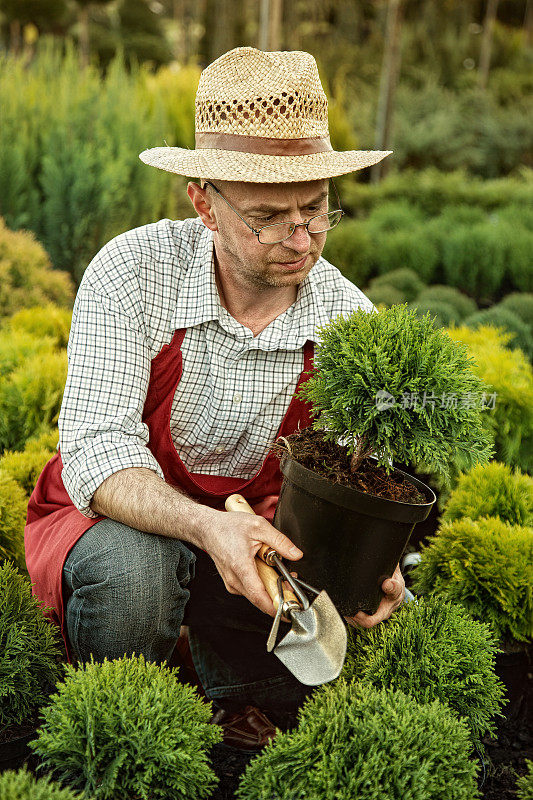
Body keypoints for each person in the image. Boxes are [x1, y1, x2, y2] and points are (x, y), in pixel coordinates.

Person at [25, 47, 404, 749]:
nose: (301, 240)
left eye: (316, 210)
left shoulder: (349, 320)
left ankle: (231, 702)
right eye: (267, 216)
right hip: (120, 519)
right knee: (134, 574)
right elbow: (96, 449)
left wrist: (370, 564)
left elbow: (353, 477)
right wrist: (205, 528)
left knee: (302, 622)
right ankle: (118, 720)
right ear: (203, 201)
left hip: (257, 536)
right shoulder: (133, 271)